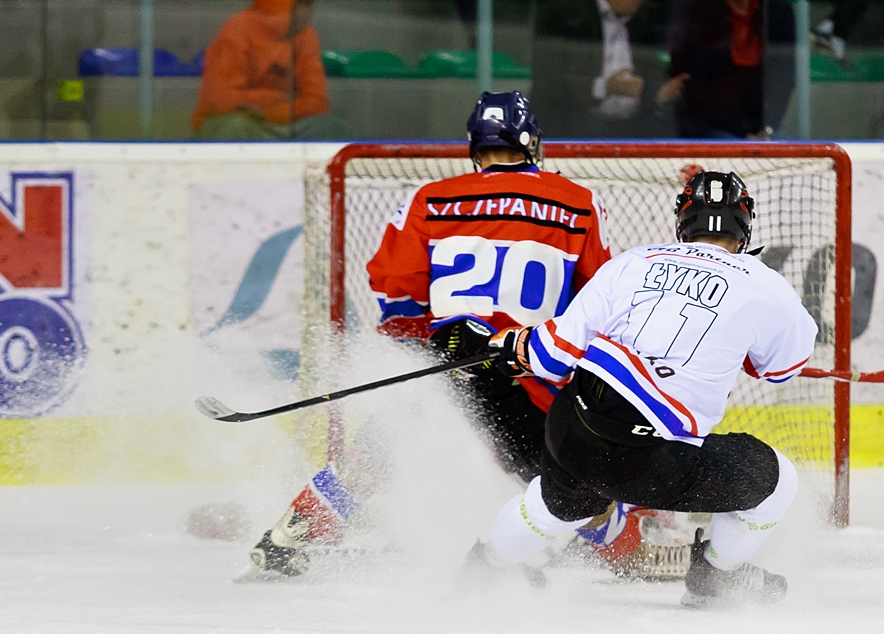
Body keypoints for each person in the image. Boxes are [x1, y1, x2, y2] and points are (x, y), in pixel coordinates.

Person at [247, 91, 620, 577]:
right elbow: (598, 301)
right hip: (527, 376)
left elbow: (394, 289)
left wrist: (433, 343)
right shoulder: (578, 202)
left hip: (448, 370)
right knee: (581, 484)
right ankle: (602, 550)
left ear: (474, 145)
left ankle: (285, 538)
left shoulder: (430, 199)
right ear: (532, 143)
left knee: (374, 453)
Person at [474, 171, 817, 608]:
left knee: (548, 506)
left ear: (683, 221)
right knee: (778, 482)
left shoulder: (633, 262)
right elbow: (780, 369)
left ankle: (481, 570)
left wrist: (515, 344)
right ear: (744, 224)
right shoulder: (767, 285)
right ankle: (714, 578)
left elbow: (552, 354)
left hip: (573, 428)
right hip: (654, 463)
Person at [192, 0, 346, 141]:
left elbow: (317, 102)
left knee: (334, 128)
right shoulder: (236, 30)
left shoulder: (307, 36)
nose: (308, 12)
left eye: (309, 4)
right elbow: (223, 99)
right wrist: (285, 99)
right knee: (235, 126)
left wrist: (269, 112)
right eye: (301, 5)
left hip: (283, 122)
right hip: (235, 119)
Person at [657, 0, 795, 139]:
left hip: (764, 128)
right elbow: (693, 87)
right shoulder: (696, 13)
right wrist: (744, 135)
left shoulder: (778, 13)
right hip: (712, 127)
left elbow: (783, 81)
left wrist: (766, 129)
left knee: (791, 149)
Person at [532, 0, 667, 137]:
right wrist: (606, 88)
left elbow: (650, 74)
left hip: (632, 130)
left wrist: (659, 92)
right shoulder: (567, 14)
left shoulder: (642, 20)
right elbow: (551, 83)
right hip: (575, 128)